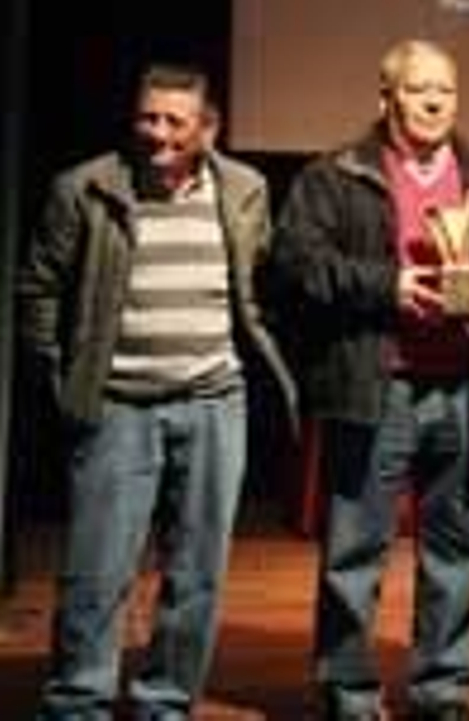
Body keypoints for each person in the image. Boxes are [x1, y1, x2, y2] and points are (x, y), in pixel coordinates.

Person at [269, 40, 469, 720]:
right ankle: (349, 691)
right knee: (355, 550)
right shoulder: (337, 175)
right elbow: (298, 265)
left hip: (465, 389)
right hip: (377, 387)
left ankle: (443, 688)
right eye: (418, 89)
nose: (433, 102)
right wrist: (387, 286)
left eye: (444, 91)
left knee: (461, 549)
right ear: (385, 98)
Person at [18, 63, 297, 719]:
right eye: (149, 116)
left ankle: (165, 700)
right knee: (97, 569)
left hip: (213, 402)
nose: (158, 133)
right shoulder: (85, 187)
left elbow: (263, 286)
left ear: (208, 127)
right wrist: (65, 379)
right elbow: (37, 290)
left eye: (175, 120)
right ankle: (78, 700)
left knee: (198, 571)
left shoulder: (245, 188)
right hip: (118, 405)